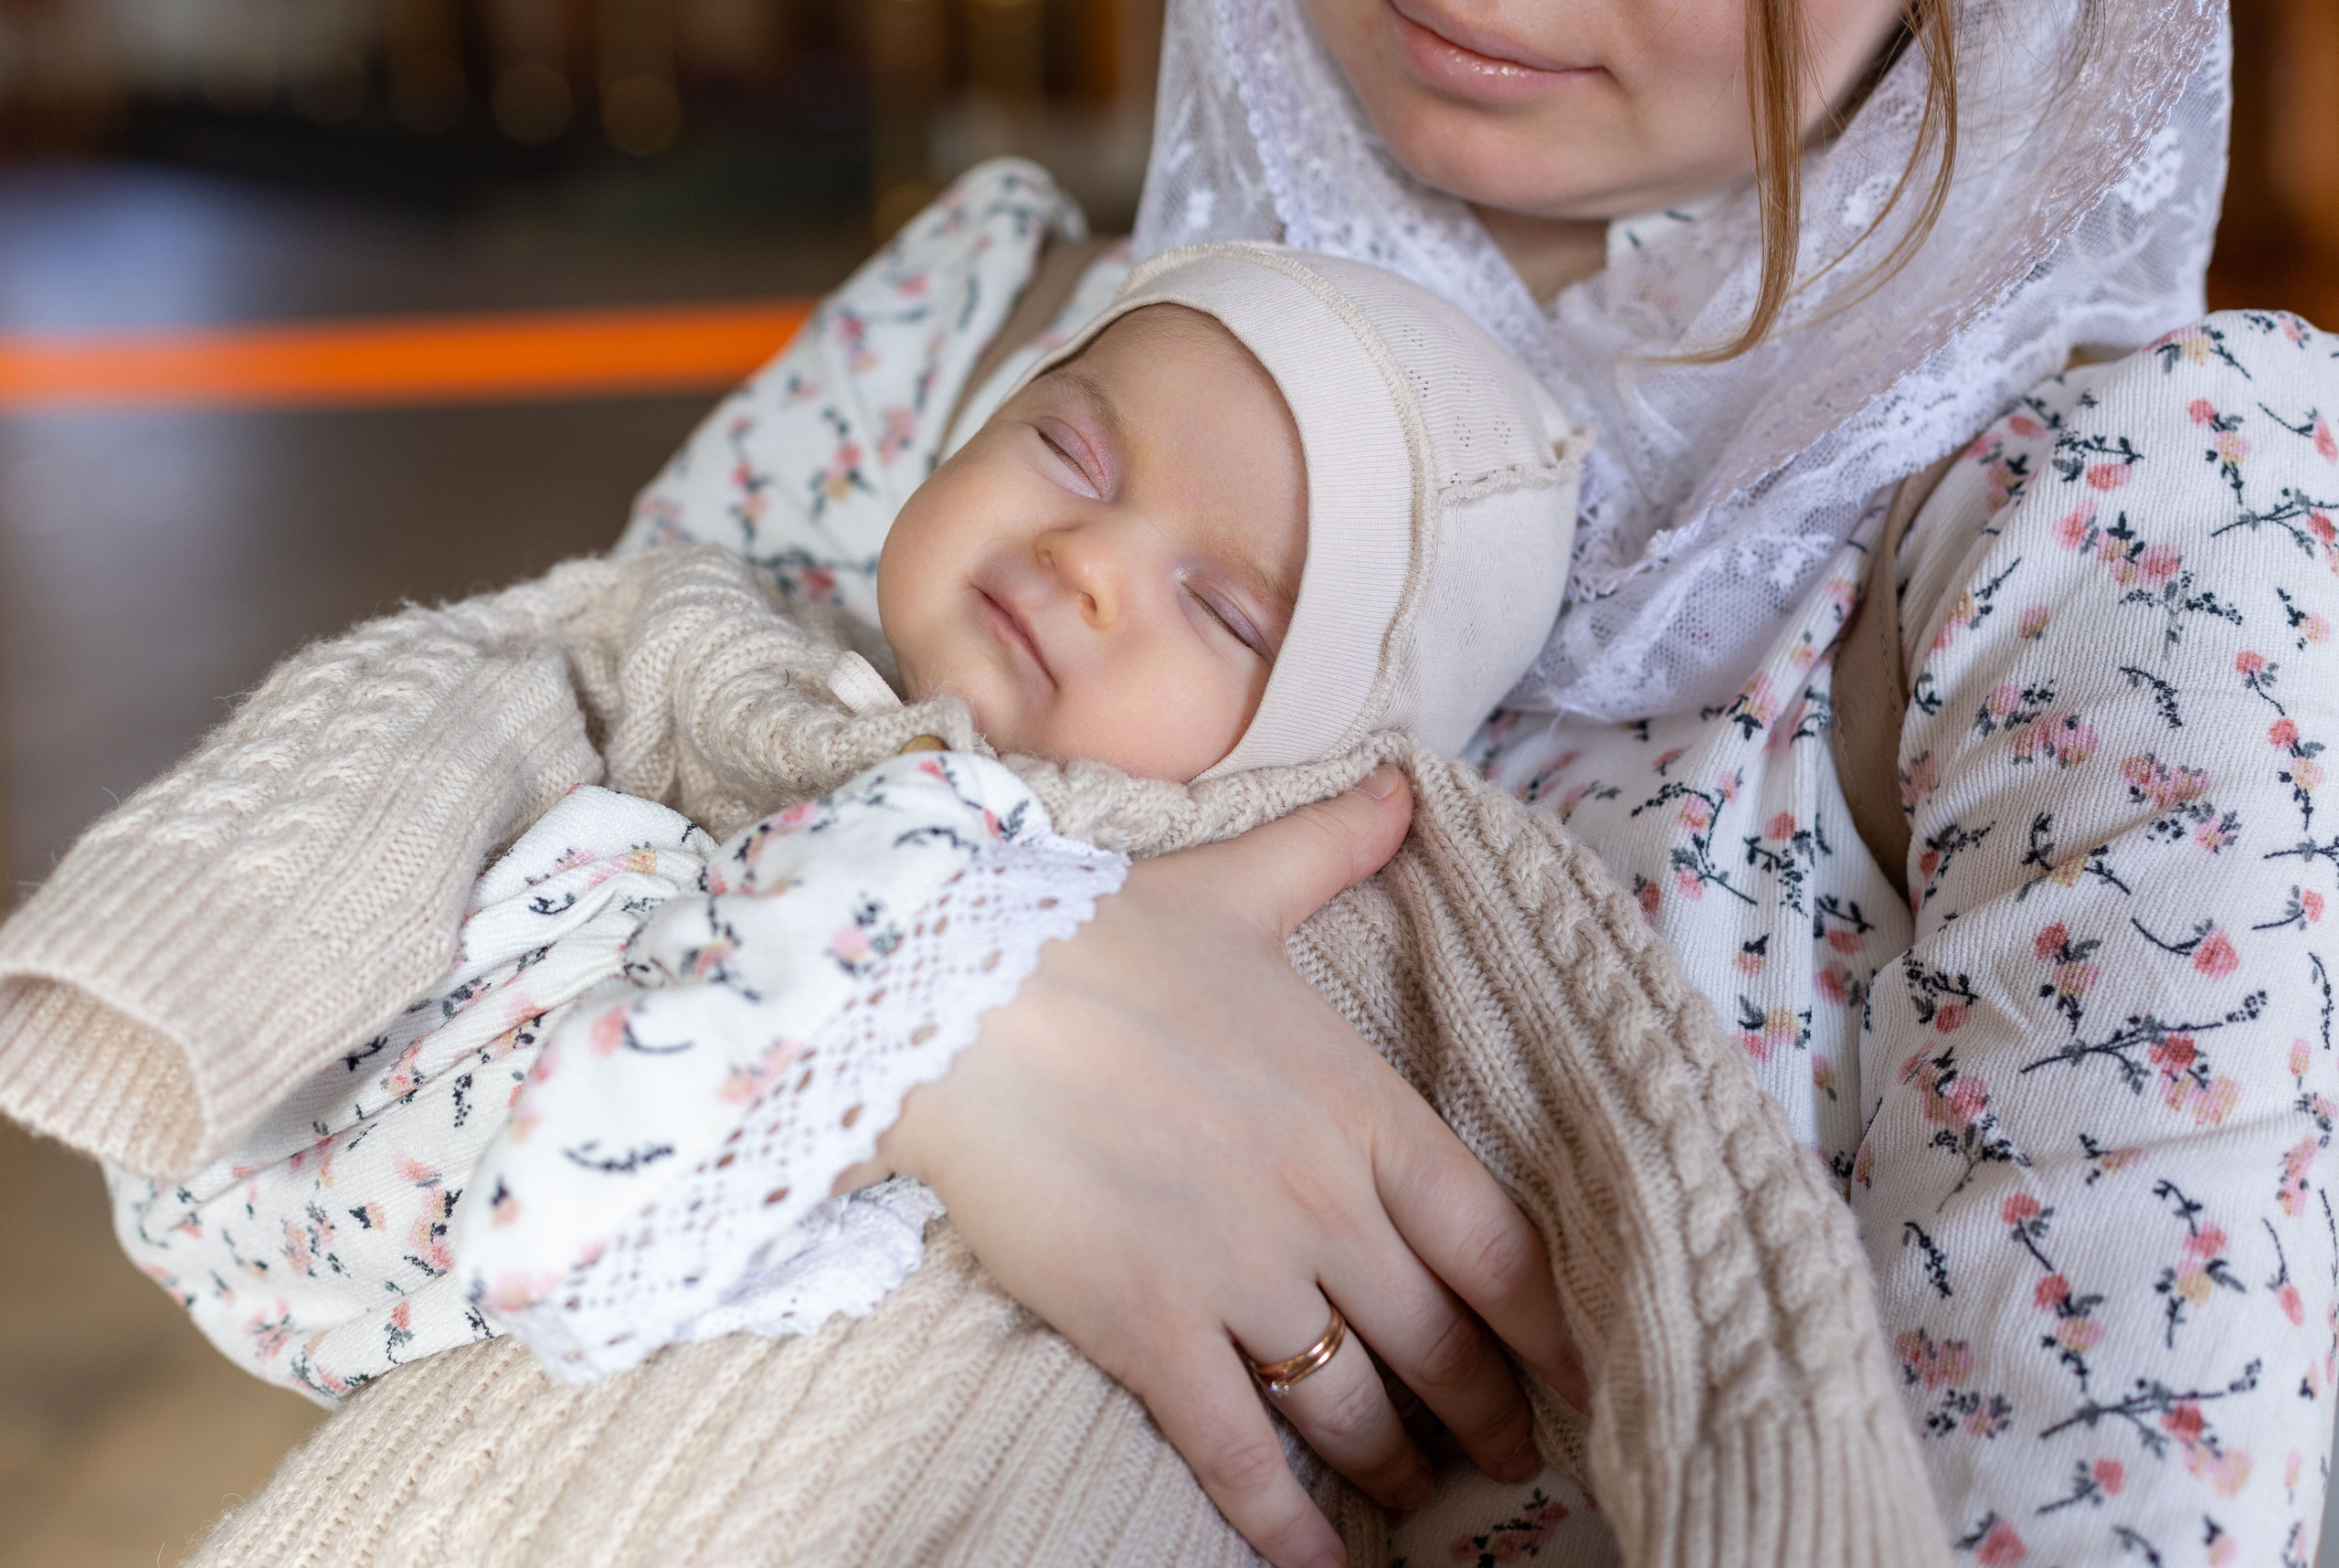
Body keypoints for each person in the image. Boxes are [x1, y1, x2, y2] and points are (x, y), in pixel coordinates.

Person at [616, 0, 2330, 1562]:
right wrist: (931, 1019)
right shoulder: (989, 338)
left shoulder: (2142, 531)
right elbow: (351, 1165)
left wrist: (765, 1010)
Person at [91, 242, 1586, 1404]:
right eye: (1070, 452)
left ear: (1305, 752)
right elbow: (435, 719)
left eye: (1224, 608)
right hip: (316, 1187)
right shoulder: (698, 647)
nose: (1089, 562)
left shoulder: (1225, 918)